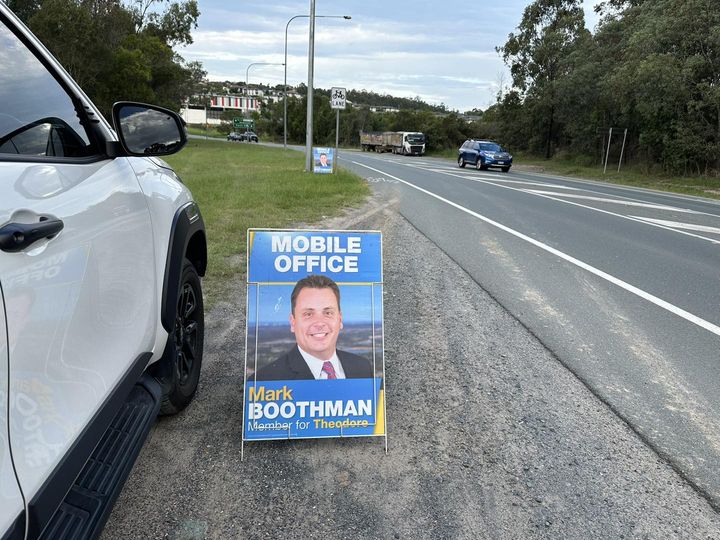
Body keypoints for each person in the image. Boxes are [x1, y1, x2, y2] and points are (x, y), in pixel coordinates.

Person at [254, 274, 373, 381]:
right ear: (293, 322)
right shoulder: (264, 380)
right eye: (308, 314)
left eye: (328, 313)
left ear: (340, 319)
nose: (319, 323)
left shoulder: (363, 368)